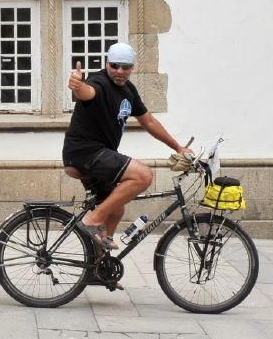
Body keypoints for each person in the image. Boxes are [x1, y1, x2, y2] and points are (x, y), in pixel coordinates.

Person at [62, 43, 192, 250]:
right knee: (143, 176)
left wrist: (178, 147)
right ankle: (92, 221)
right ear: (107, 64)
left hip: (97, 156)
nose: (120, 71)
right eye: (114, 66)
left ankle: (98, 267)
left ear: (132, 68)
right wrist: (78, 87)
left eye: (125, 67)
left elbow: (148, 122)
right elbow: (87, 93)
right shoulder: (99, 82)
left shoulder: (129, 90)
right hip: (86, 152)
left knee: (116, 210)